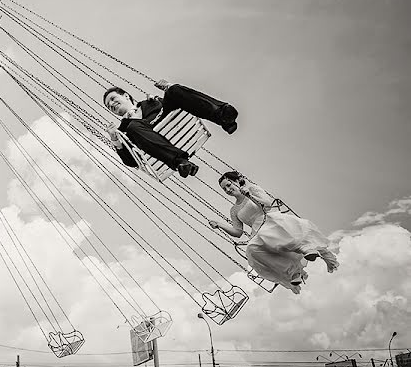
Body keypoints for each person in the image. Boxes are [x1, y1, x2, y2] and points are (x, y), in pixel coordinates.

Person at [210, 171, 338, 293]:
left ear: (237, 181)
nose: (227, 190)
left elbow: (268, 204)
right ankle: (293, 272)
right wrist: (219, 225)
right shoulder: (234, 210)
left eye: (228, 185)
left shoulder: (252, 189)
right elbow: (238, 232)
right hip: (257, 231)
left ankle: (307, 249)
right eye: (224, 189)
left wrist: (250, 195)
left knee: (271, 233)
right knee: (251, 250)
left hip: (270, 219)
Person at [103, 80, 239, 178]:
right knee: (133, 126)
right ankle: (180, 162)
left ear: (126, 96)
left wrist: (166, 89)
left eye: (113, 99)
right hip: (150, 137)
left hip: (166, 116)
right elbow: (131, 162)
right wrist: (116, 141)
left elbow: (181, 100)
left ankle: (222, 116)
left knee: (173, 90)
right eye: (108, 106)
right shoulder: (124, 130)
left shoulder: (151, 102)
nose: (111, 104)